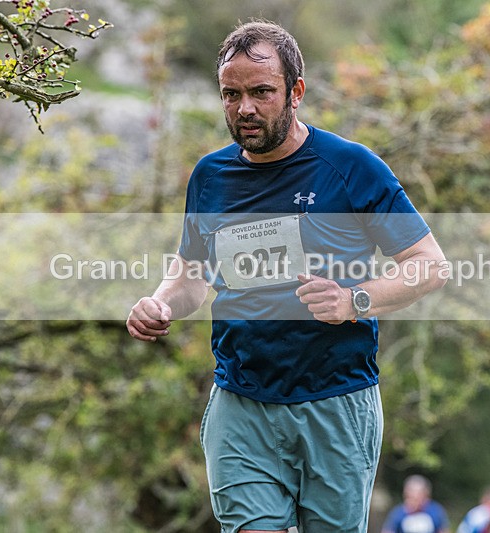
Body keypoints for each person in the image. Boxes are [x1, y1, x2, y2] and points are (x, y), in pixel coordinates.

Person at [125, 19, 446, 533]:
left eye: (261, 92)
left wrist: (352, 301)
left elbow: (431, 266)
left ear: (296, 91)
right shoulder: (210, 177)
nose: (244, 108)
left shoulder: (351, 168)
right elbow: (190, 277)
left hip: (335, 403)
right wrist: (160, 303)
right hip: (241, 403)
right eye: (231, 94)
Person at [380, 475, 449, 533]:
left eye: (417, 497)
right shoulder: (398, 513)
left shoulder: (435, 511)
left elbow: (443, 530)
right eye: (410, 497)